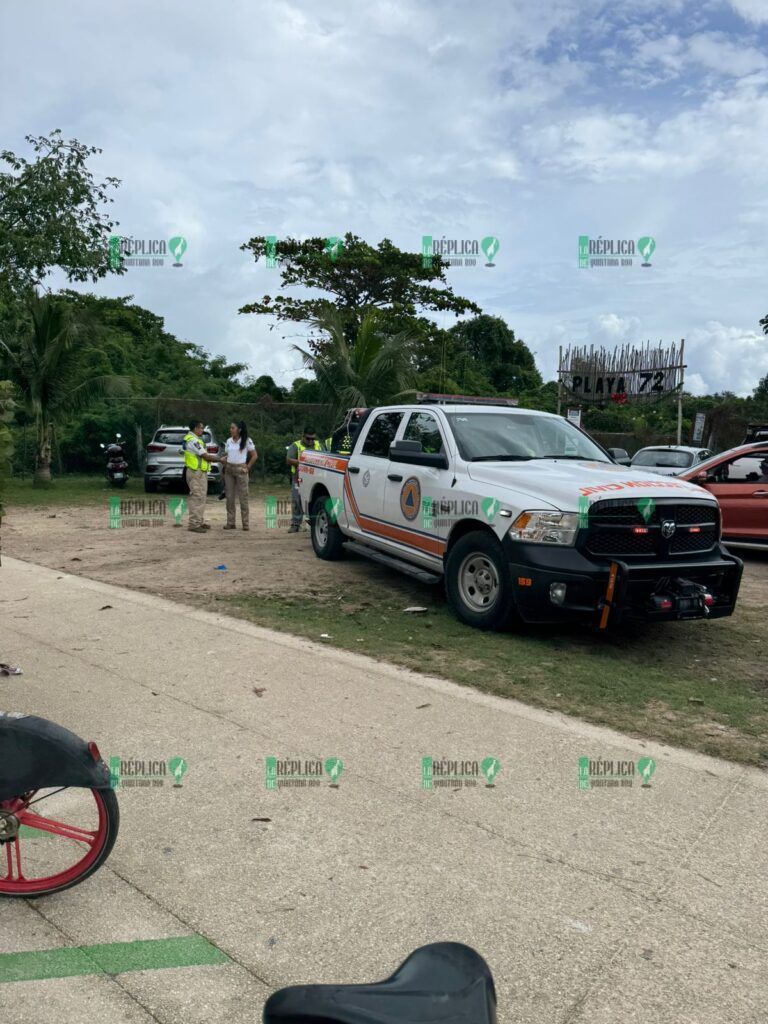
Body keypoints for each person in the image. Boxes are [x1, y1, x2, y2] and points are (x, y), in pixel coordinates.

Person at [183, 420, 222, 533]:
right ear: (195, 428)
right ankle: (194, 524)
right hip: (195, 473)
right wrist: (220, 459)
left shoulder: (195, 440)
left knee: (201, 497)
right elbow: (205, 456)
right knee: (197, 497)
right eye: (200, 428)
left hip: (200, 472)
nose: (202, 430)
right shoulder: (193, 440)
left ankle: (199, 521)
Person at [221, 420, 258, 530]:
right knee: (229, 497)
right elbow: (228, 455)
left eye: (233, 428)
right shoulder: (228, 441)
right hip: (229, 470)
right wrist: (224, 460)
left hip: (241, 469)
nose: (231, 430)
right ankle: (231, 522)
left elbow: (255, 455)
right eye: (231, 428)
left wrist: (248, 467)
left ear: (239, 429)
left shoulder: (247, 441)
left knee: (243, 498)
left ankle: (245, 524)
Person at [286, 426, 322, 532]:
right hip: (298, 479)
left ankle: (315, 524)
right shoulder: (295, 445)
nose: (311, 441)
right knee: (297, 501)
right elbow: (288, 460)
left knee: (315, 502)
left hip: (316, 480)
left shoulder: (319, 446)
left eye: (313, 439)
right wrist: (303, 462)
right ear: (303, 436)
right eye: (308, 438)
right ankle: (295, 524)